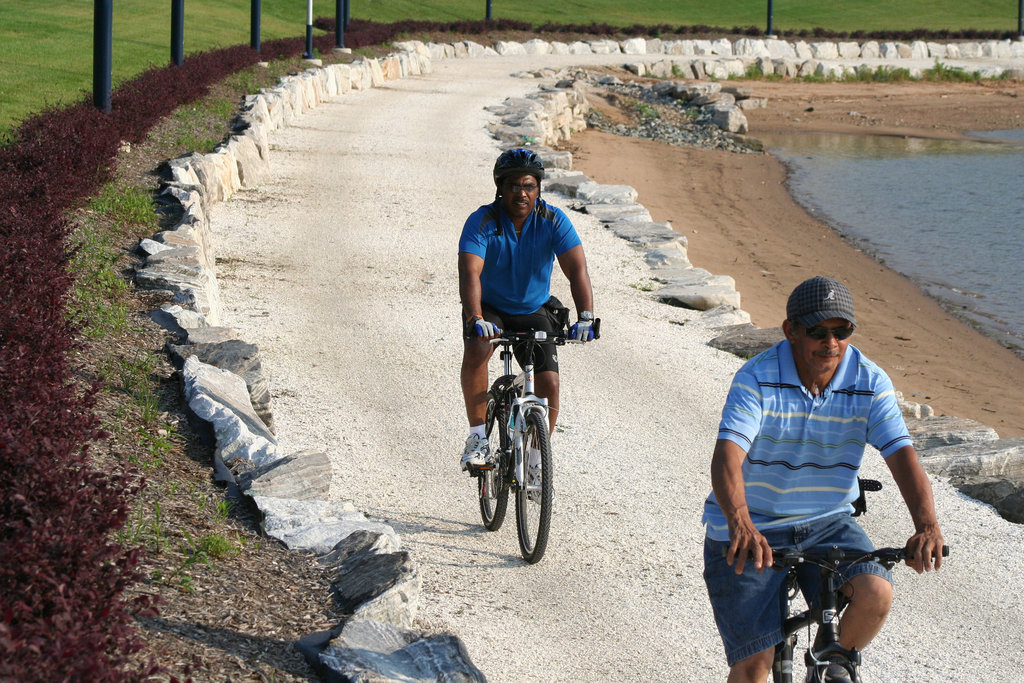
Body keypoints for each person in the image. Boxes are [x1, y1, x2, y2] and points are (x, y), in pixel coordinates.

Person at [702, 275, 945, 683]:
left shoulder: (869, 381)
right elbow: (727, 455)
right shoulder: (756, 378)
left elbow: (902, 457)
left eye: (841, 331)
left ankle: (825, 667)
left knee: (875, 592)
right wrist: (740, 522)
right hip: (751, 525)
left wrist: (928, 526)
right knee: (752, 667)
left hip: (829, 521)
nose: (830, 343)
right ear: (790, 331)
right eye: (817, 331)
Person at [457, 148, 595, 470]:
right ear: (500, 188)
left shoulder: (553, 220)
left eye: (529, 186)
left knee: (550, 384)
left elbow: (577, 271)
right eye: (514, 185)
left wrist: (585, 316)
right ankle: (477, 438)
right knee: (477, 348)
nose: (522, 193)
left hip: (533, 308)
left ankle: (536, 457)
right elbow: (470, 273)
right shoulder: (482, 221)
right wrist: (475, 317)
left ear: (539, 189)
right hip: (490, 309)